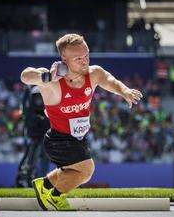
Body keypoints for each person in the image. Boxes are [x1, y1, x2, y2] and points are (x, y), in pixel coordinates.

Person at [20, 33, 143, 211]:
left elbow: (109, 80)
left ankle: (45, 185)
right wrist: (46, 77)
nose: (84, 61)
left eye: (86, 55)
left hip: (79, 137)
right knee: (86, 170)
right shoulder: (53, 82)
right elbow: (25, 75)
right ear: (64, 58)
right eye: (78, 58)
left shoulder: (93, 74)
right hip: (58, 139)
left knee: (74, 171)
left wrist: (125, 91)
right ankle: (55, 197)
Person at [15, 85, 50, 187]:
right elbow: (24, 105)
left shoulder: (47, 108)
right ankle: (26, 178)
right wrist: (26, 91)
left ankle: (42, 180)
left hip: (45, 138)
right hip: (33, 138)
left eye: (40, 97)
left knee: (44, 158)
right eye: (36, 97)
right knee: (29, 159)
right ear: (32, 98)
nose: (38, 100)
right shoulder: (28, 110)